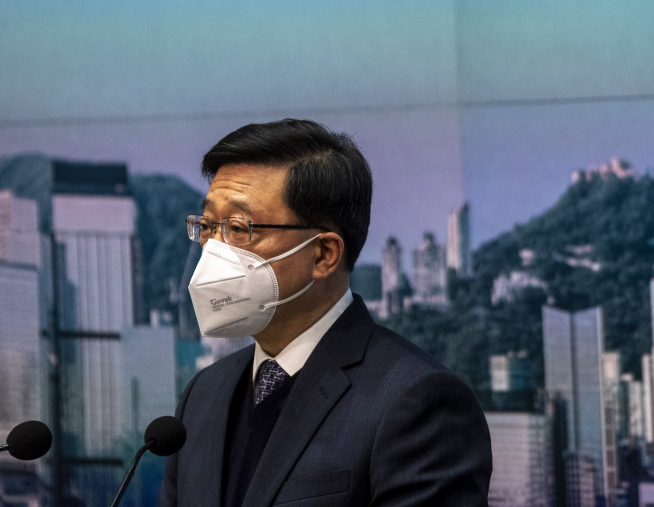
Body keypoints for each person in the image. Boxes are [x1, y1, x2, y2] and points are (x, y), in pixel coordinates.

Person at [160, 119, 491, 507]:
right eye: (208, 226)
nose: (214, 247)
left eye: (237, 227)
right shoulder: (204, 394)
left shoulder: (417, 402)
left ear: (323, 254)